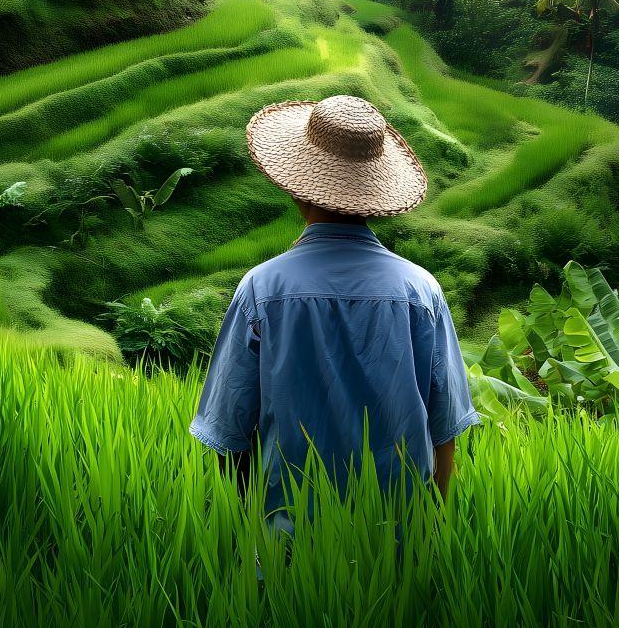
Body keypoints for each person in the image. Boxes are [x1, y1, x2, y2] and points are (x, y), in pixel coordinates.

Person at [190, 94, 478, 530]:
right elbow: (446, 429)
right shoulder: (421, 291)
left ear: (295, 187)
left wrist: (253, 529)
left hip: (288, 542)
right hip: (399, 541)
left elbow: (229, 432)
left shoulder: (263, 289)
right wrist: (429, 532)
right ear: (374, 193)